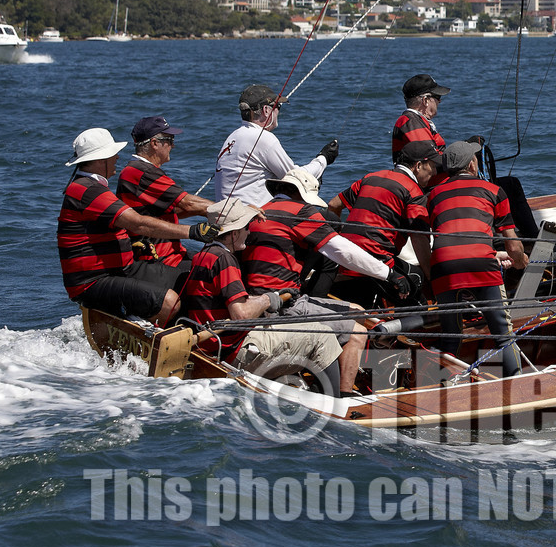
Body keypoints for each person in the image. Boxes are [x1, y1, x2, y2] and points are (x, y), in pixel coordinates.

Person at [240, 167, 392, 396]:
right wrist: (388, 274)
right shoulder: (300, 211)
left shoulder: (261, 210)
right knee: (358, 331)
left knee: (358, 311)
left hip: (260, 298)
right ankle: (345, 396)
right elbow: (342, 251)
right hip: (283, 304)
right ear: (302, 194)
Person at [177, 198, 345, 395]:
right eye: (246, 227)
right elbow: (240, 314)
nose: (249, 232)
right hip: (235, 352)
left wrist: (272, 296)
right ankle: (335, 404)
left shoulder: (203, 255)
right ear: (233, 233)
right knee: (323, 336)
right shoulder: (225, 260)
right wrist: (269, 300)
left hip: (212, 348)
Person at [58, 127, 195, 325]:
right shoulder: (87, 190)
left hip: (121, 269)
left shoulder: (91, 187)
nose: (116, 159)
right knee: (169, 302)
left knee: (189, 276)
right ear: (100, 160)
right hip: (93, 282)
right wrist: (193, 231)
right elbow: (137, 222)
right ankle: (140, 329)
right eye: (113, 154)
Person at [426, 141, 529, 377]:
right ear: (472, 164)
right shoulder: (493, 190)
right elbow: (512, 244)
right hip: (481, 265)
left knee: (451, 337)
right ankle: (518, 386)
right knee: (504, 337)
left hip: (443, 266)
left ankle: (441, 388)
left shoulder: (432, 195)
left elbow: (451, 235)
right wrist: (521, 261)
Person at [325, 140, 440, 307]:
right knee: (417, 278)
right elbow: (419, 239)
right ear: (418, 165)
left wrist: (338, 236)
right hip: (375, 264)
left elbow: (333, 205)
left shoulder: (370, 177)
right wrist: (432, 278)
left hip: (342, 257)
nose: (435, 171)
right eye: (432, 166)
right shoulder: (413, 192)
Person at [118, 115, 231, 276]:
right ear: (155, 143)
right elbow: (188, 203)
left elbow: (174, 211)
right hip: (160, 259)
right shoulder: (142, 172)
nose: (173, 145)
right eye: (169, 140)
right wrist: (234, 211)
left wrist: (207, 211)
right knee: (223, 267)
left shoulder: (138, 170)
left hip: (170, 254)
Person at [214, 84, 339, 207]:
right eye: (278, 106)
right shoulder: (262, 138)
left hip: (230, 218)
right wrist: (324, 158)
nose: (278, 112)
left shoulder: (232, 137)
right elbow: (297, 178)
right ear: (266, 110)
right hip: (252, 220)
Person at [391, 74, 449, 165]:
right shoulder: (412, 122)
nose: (439, 101)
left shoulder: (417, 121)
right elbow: (430, 160)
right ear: (425, 100)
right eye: (437, 97)